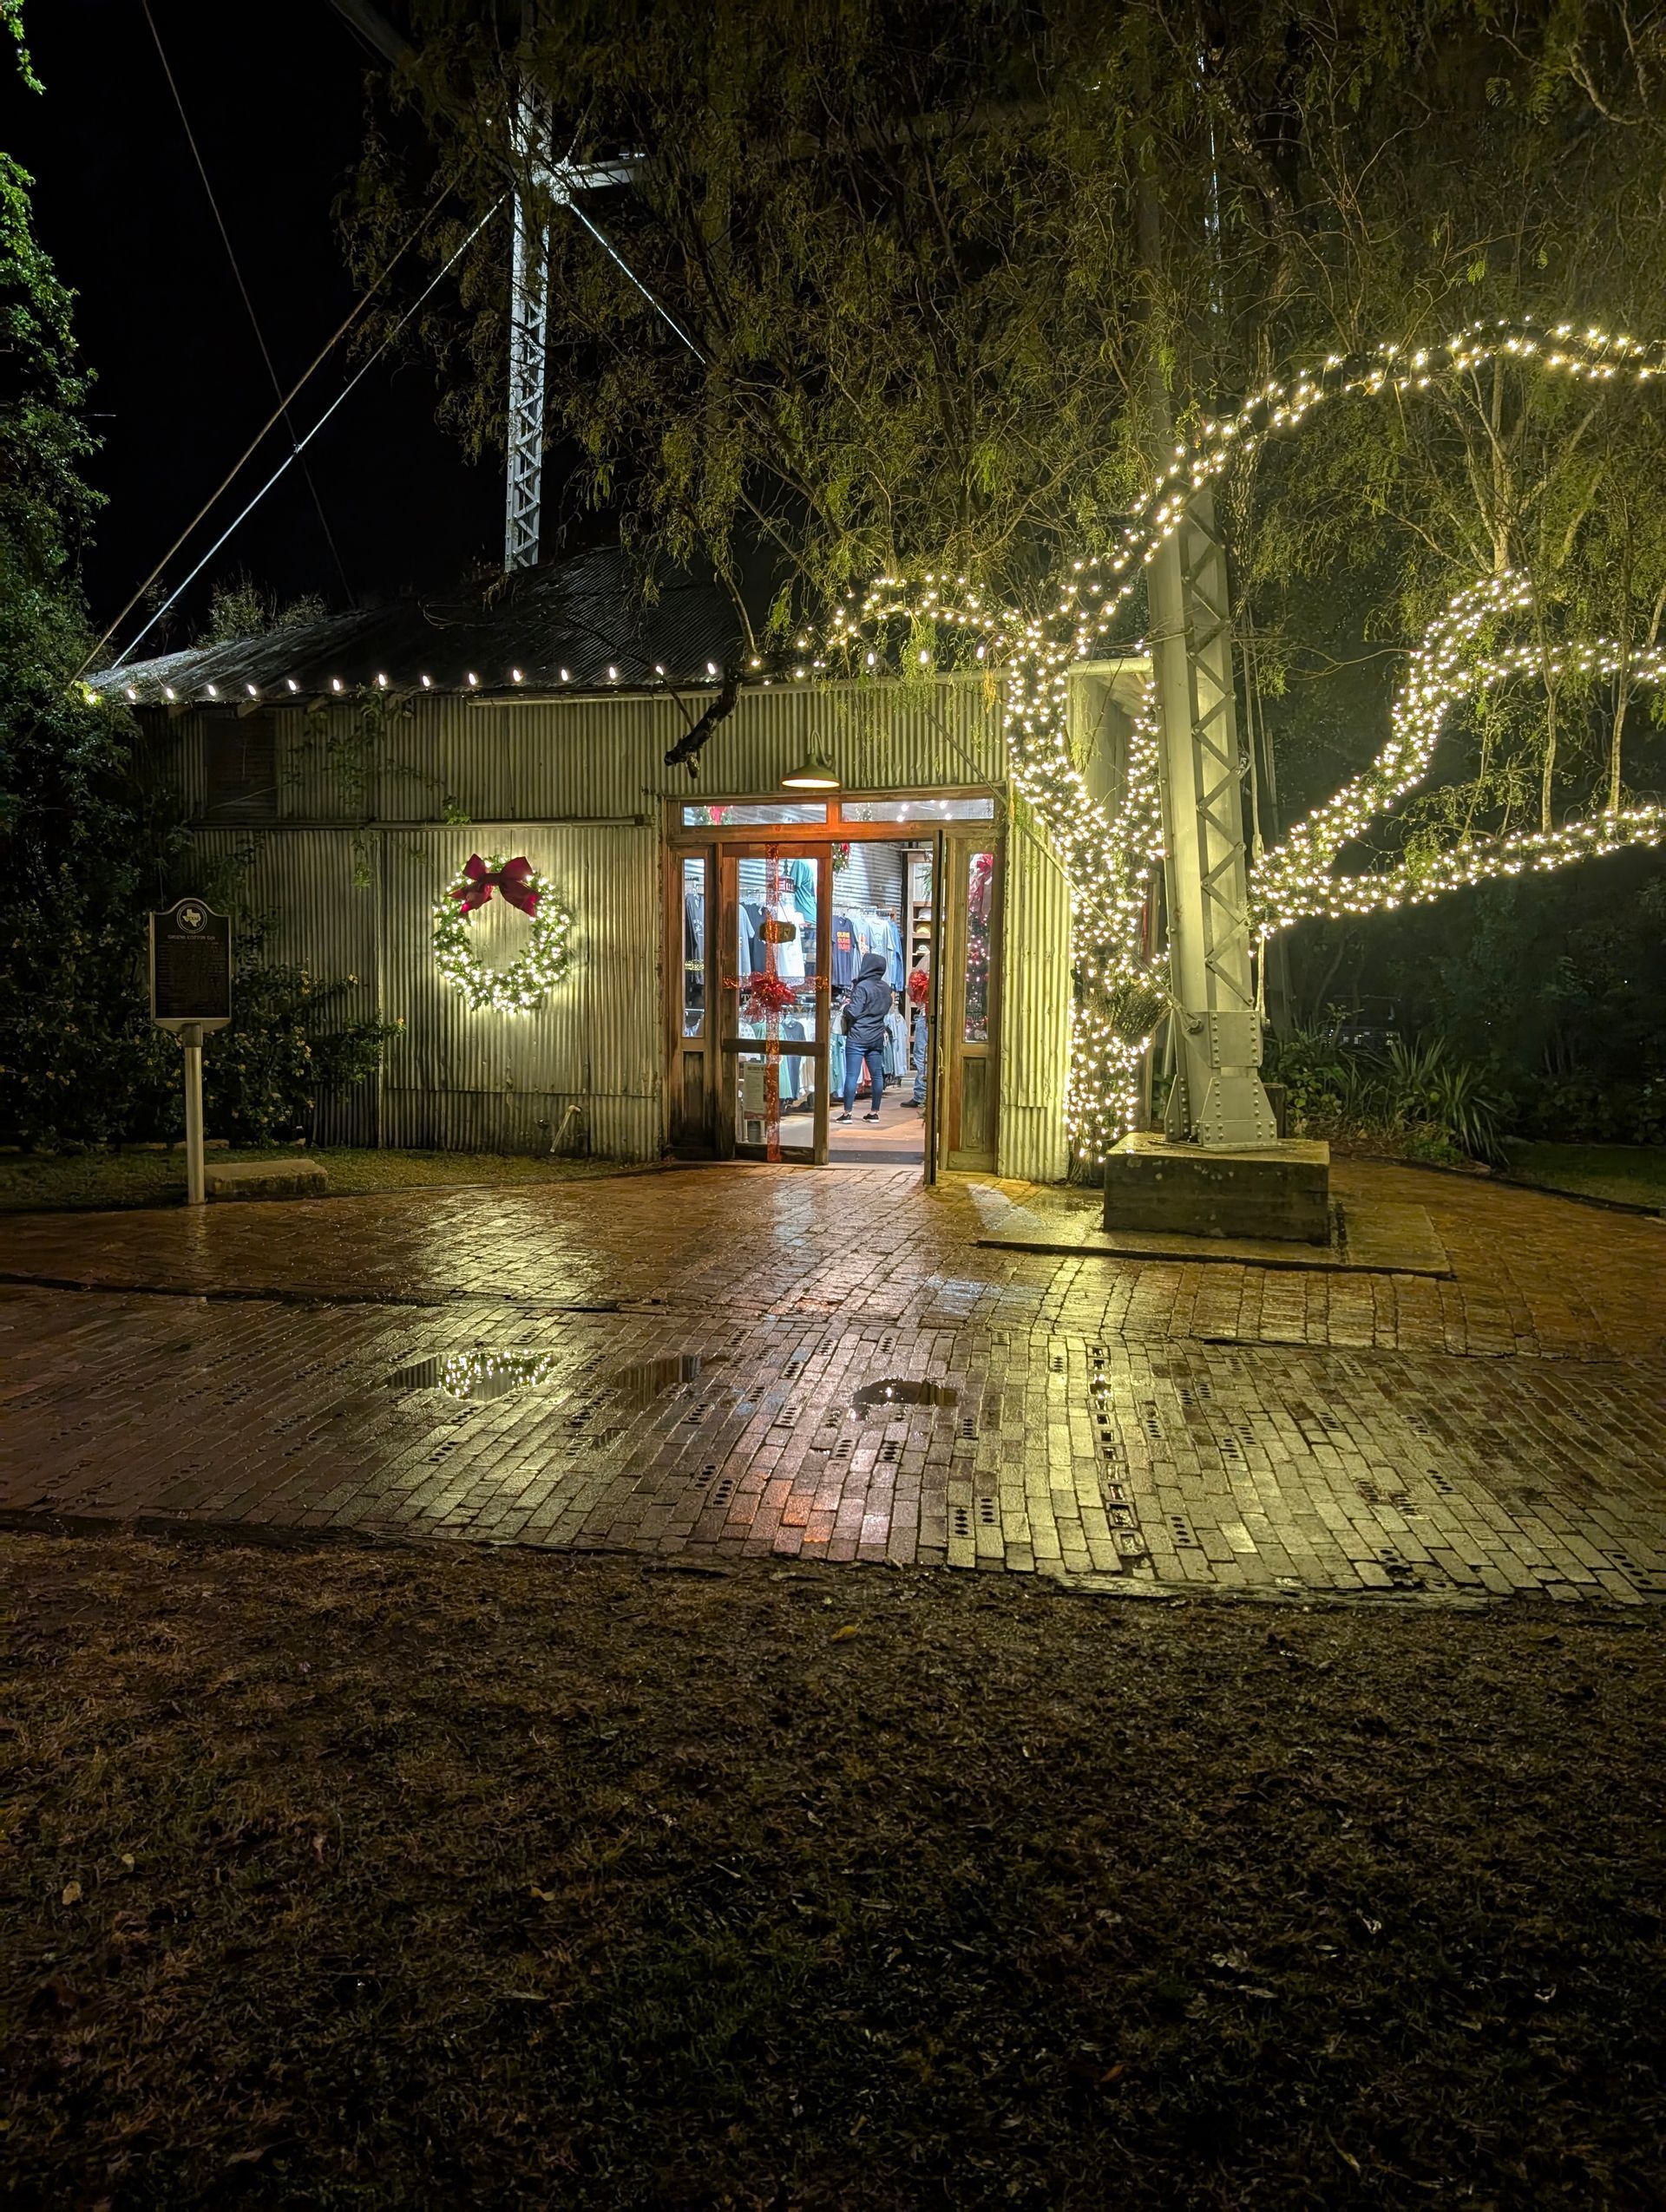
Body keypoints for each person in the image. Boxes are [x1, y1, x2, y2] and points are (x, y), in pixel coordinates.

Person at [839, 950, 892, 1122]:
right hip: (876, 1036)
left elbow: (853, 1012)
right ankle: (874, 1112)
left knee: (852, 1075)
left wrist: (845, 1007)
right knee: (877, 1075)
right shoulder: (886, 988)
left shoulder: (862, 987)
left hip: (858, 1037)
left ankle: (847, 1114)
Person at [905, 952, 929, 1108]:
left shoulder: (929, 958)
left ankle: (921, 1094)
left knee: (922, 1056)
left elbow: (911, 987)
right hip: (946, 1016)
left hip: (927, 1013)